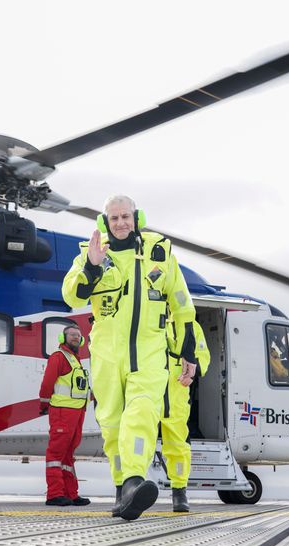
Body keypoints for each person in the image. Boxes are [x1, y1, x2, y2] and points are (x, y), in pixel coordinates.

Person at [62, 195, 197, 520]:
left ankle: (136, 479)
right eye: (114, 218)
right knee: (111, 423)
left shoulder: (159, 254)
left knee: (142, 411)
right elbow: (70, 295)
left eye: (126, 216)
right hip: (108, 354)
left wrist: (188, 351)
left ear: (136, 218)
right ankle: (123, 489)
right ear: (104, 222)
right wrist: (92, 266)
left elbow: (182, 305)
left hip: (150, 352)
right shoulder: (92, 253)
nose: (120, 223)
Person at [160, 316, 210, 512]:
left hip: (177, 392)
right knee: (138, 436)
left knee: (178, 444)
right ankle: (130, 487)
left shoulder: (192, 326)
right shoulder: (148, 314)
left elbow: (203, 357)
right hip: (147, 389)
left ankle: (179, 492)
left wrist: (193, 368)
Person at [39, 324, 91, 506]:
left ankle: (71, 493)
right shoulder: (59, 357)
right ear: (63, 338)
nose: (76, 337)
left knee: (68, 455)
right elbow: (47, 382)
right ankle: (54, 494)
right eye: (72, 335)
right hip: (62, 411)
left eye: (78, 335)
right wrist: (44, 402)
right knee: (56, 452)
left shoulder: (75, 360)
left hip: (77, 413)